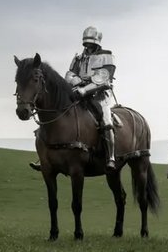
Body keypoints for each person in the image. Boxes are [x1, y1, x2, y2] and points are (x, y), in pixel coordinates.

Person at [30, 26, 118, 172]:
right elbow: (69, 75)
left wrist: (85, 88)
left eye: (91, 42)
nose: (88, 45)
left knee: (107, 122)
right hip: (78, 92)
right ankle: (45, 156)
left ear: (96, 42)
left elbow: (103, 78)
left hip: (100, 95)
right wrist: (77, 83)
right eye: (86, 42)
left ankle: (111, 157)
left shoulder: (107, 56)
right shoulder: (78, 58)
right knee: (58, 114)